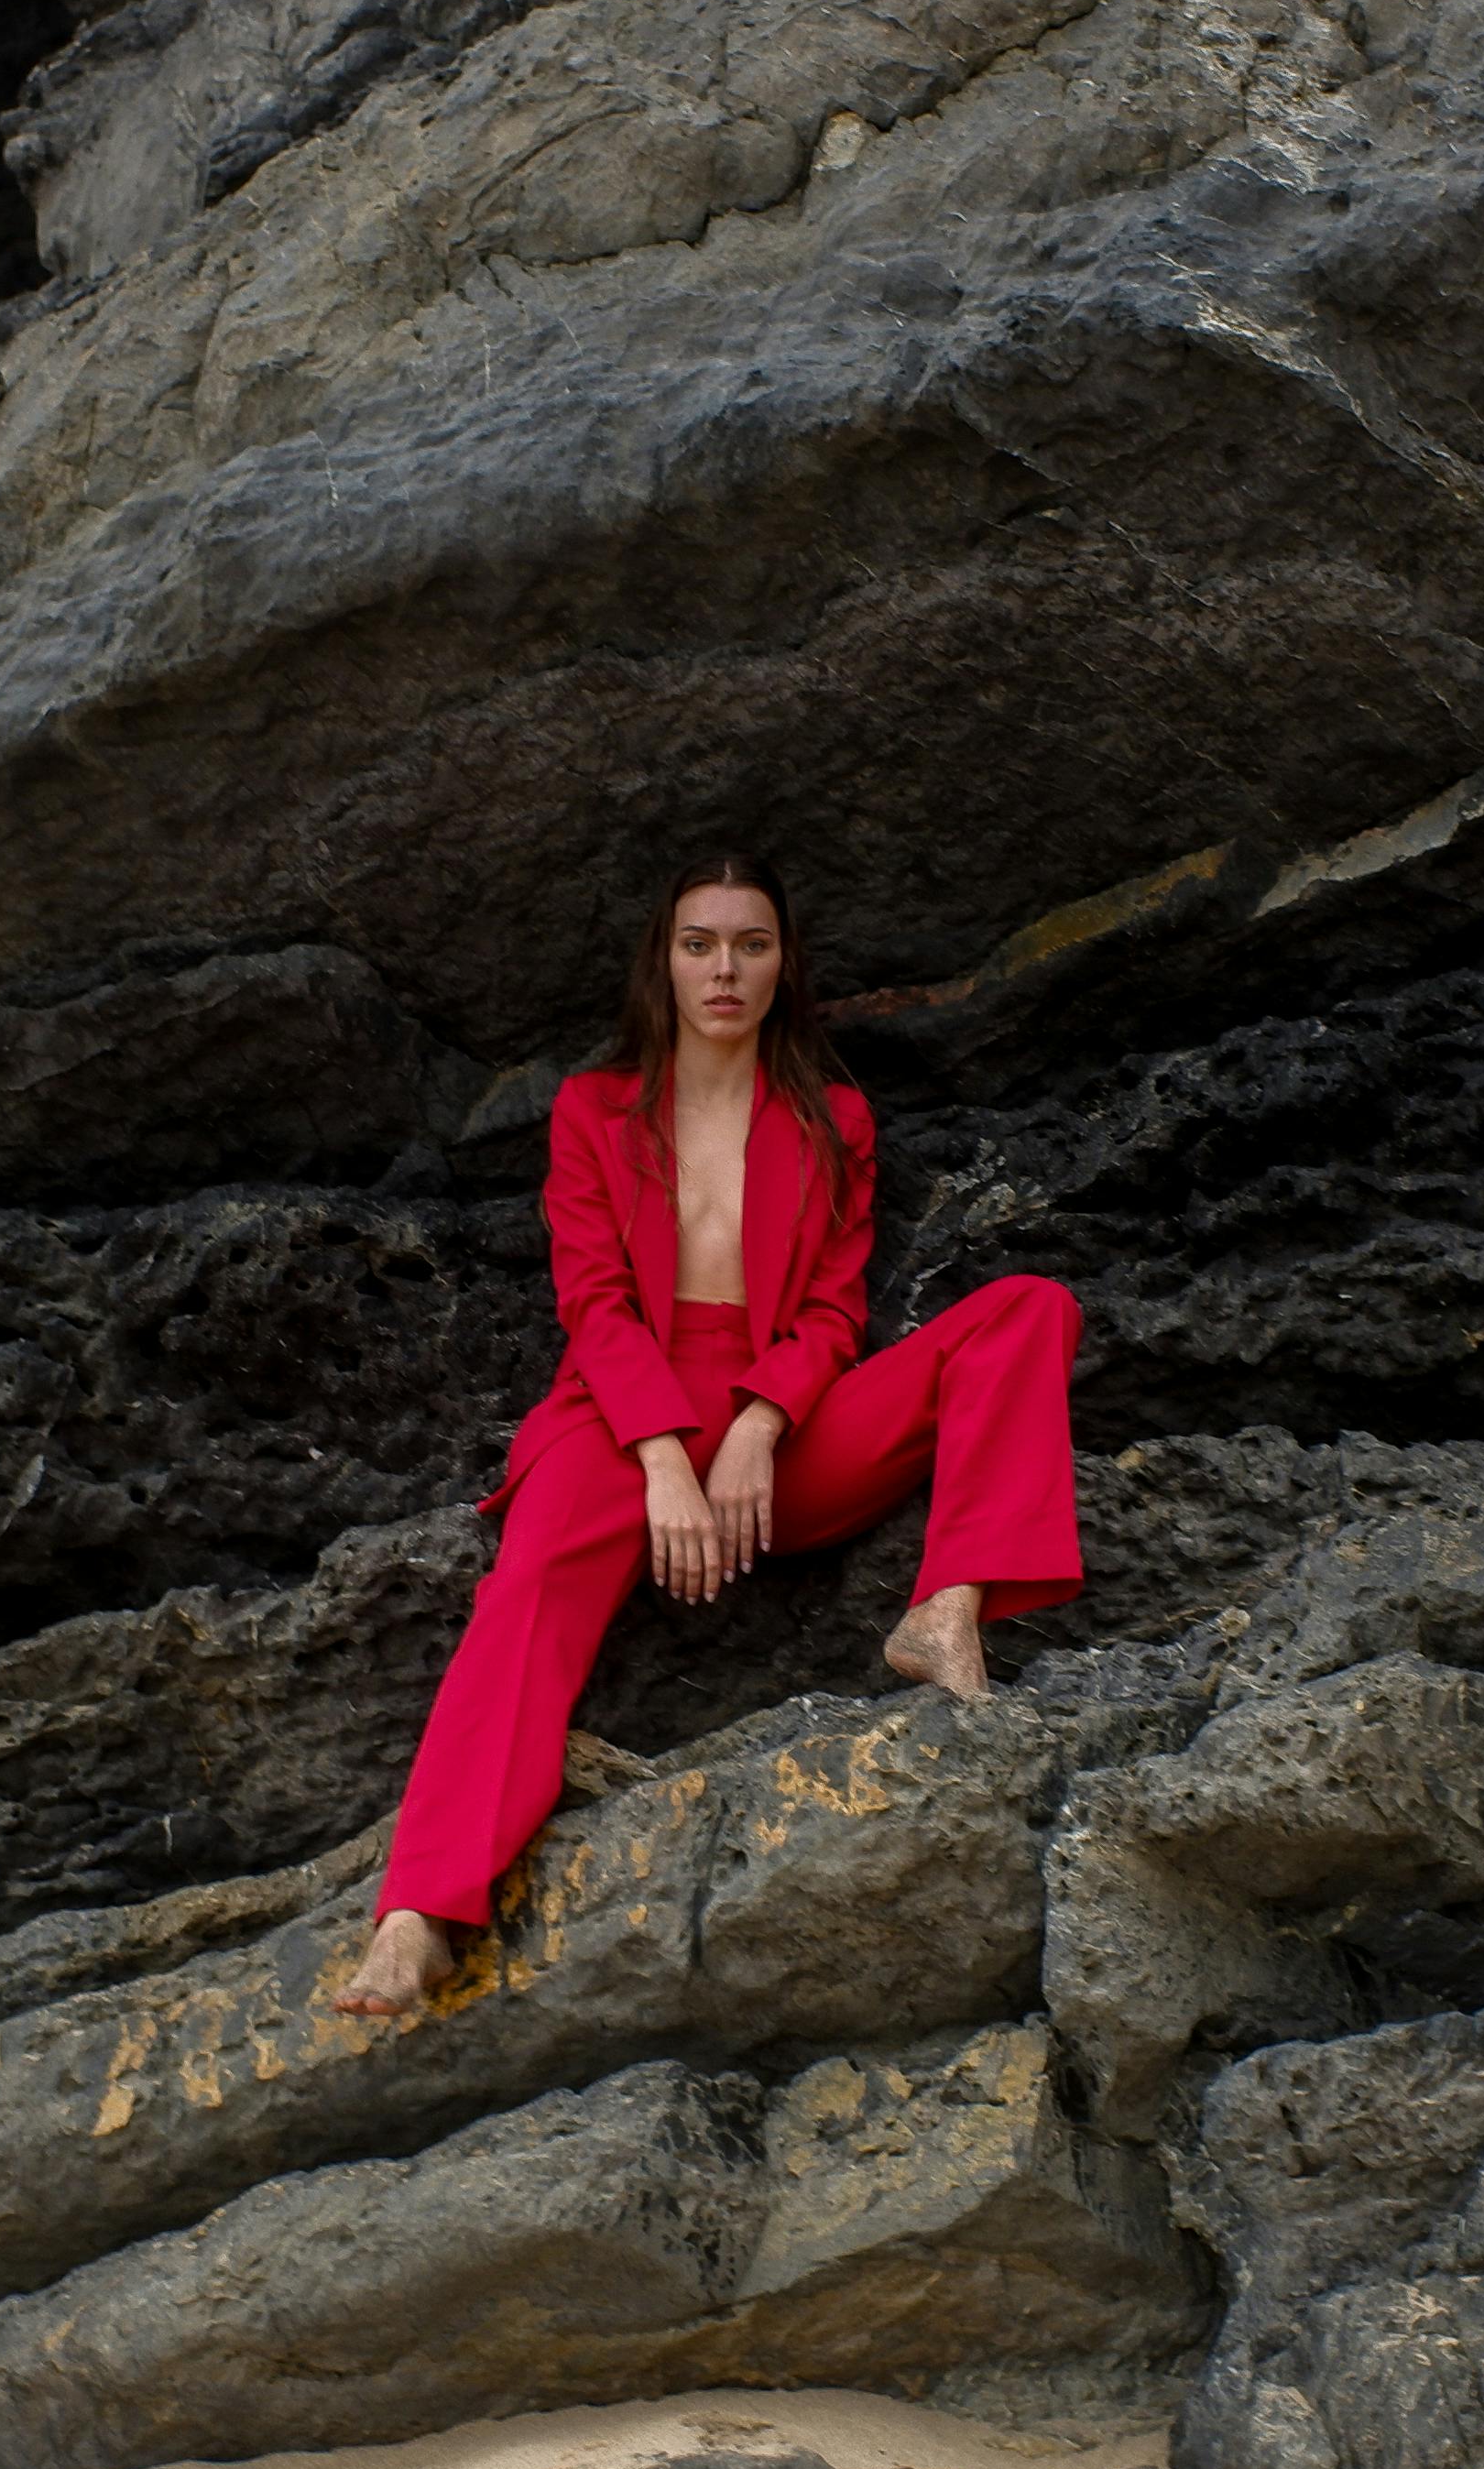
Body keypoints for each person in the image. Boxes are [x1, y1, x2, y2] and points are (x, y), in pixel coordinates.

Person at [332, 853, 1085, 2019]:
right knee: (525, 1586)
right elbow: (594, 1301)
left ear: (785, 965)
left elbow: (836, 1304)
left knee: (1029, 1309)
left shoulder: (834, 1120)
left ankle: (947, 1609)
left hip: (786, 1419)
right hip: (618, 1415)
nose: (724, 969)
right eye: (699, 945)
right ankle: (418, 1915)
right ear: (665, 963)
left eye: (751, 944)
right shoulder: (596, 1110)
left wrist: (758, 1428)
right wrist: (669, 1455)